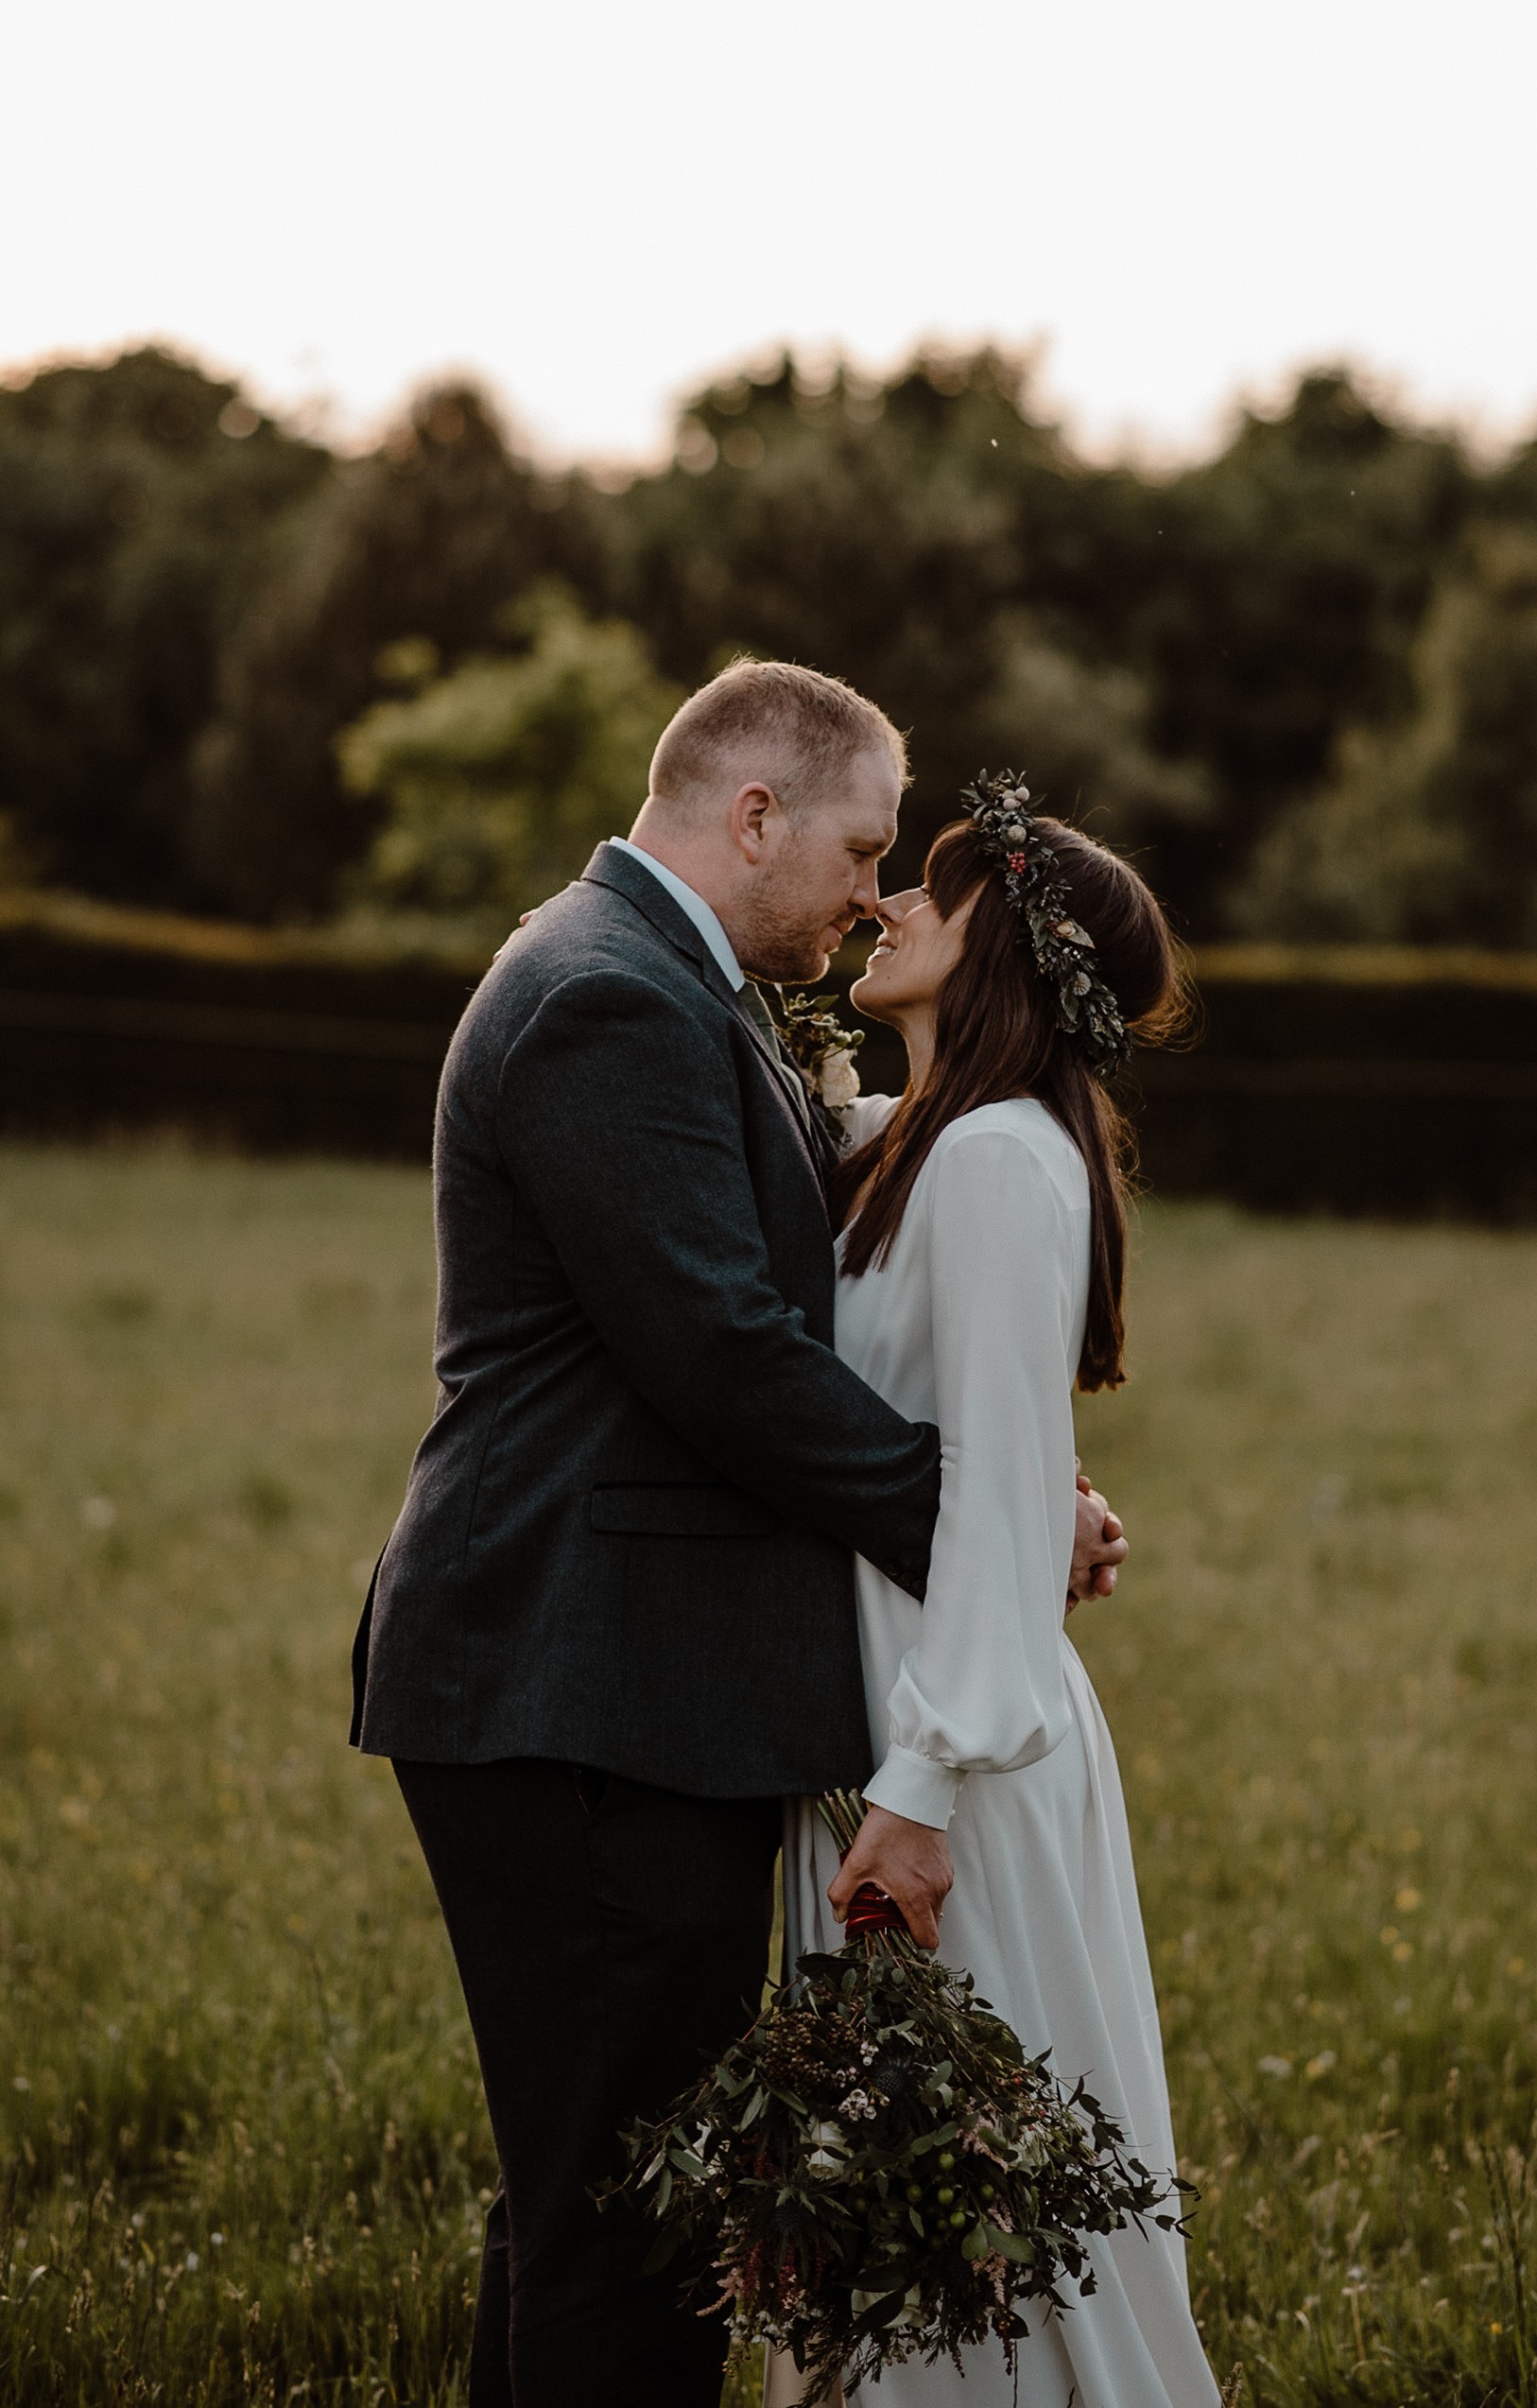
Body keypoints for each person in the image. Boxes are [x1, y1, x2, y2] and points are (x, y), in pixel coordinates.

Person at [347, 666, 1129, 2408]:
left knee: (604, 2208)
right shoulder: (604, 997)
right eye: (859, 846)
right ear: (753, 815)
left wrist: (1018, 1491)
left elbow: (819, 1293)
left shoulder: (659, 986)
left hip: (627, 1681)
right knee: (625, 2232)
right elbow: (720, 1350)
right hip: (584, 1679)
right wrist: (981, 1517)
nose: (874, 890)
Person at [771, 782, 1220, 2407]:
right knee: (907, 2194)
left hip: (951, 1754)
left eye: (930, 892)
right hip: (905, 1719)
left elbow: (1002, 1468)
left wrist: (923, 1787)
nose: (889, 904)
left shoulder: (990, 1168)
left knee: (980, 2203)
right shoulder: (925, 1144)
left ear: (1001, 952)